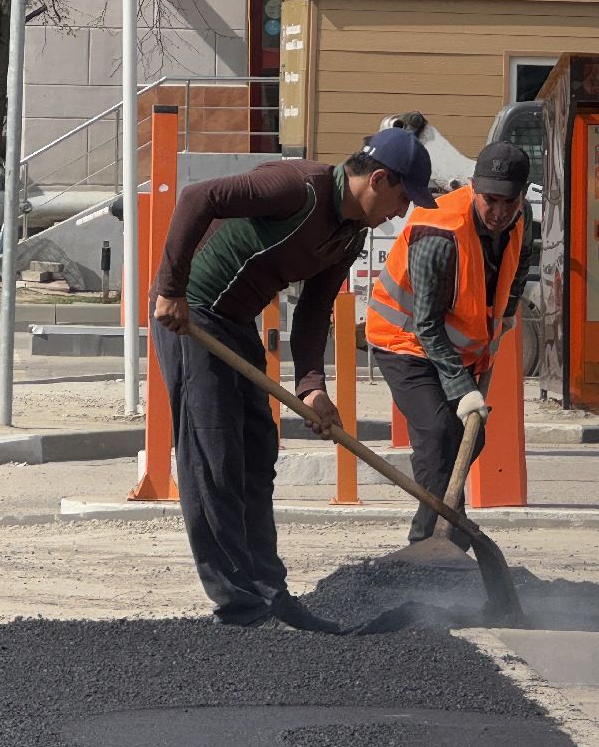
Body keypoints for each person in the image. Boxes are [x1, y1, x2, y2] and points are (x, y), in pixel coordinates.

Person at [150, 128, 435, 630]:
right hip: (191, 313)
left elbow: (314, 310)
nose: (401, 212)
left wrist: (312, 385)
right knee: (214, 458)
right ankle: (240, 606)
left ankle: (269, 590)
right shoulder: (297, 186)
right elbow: (200, 197)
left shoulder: (351, 233)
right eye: (401, 199)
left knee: (259, 453)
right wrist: (171, 288)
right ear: (379, 179)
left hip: (236, 325)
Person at [365, 141, 532, 548]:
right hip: (403, 341)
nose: (498, 213)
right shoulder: (439, 233)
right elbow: (425, 323)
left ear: (521, 197)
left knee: (470, 439)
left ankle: (444, 538)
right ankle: (430, 542)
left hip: (456, 350)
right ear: (474, 187)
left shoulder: (520, 220)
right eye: (489, 200)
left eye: (507, 203)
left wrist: (507, 311)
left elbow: (521, 263)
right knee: (440, 435)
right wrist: (462, 389)